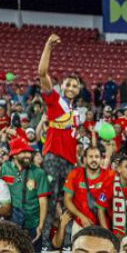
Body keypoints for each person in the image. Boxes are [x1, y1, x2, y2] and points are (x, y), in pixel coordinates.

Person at [38, 34, 83, 237]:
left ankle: (65, 242)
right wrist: (48, 47)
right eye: (68, 84)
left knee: (69, 202)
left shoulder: (76, 113)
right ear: (61, 86)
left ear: (79, 90)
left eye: (75, 86)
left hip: (70, 162)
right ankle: (46, 241)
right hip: (53, 157)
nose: (71, 88)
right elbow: (42, 73)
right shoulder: (55, 101)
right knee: (50, 199)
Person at [0, 135, 50, 250]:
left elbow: (43, 201)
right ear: (14, 154)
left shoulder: (38, 173)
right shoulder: (5, 168)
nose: (28, 155)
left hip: (32, 224)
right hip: (11, 223)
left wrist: (40, 226)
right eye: (23, 152)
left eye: (29, 152)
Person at [62, 144, 111, 246]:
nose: (94, 160)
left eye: (97, 157)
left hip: (102, 226)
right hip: (80, 225)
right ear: (84, 159)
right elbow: (67, 200)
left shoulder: (109, 175)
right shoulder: (75, 174)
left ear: (101, 159)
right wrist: (81, 217)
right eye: (91, 157)